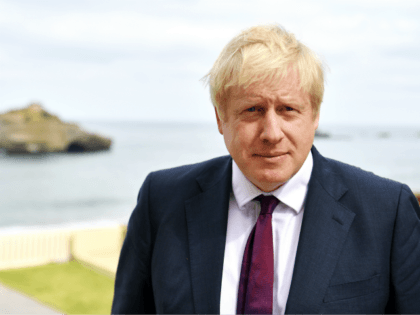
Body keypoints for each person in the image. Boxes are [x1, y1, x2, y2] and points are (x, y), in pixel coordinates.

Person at [111, 24, 420, 314]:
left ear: (314, 116)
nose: (271, 133)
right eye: (252, 110)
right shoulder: (162, 201)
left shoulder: (387, 213)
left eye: (288, 110)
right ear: (220, 118)